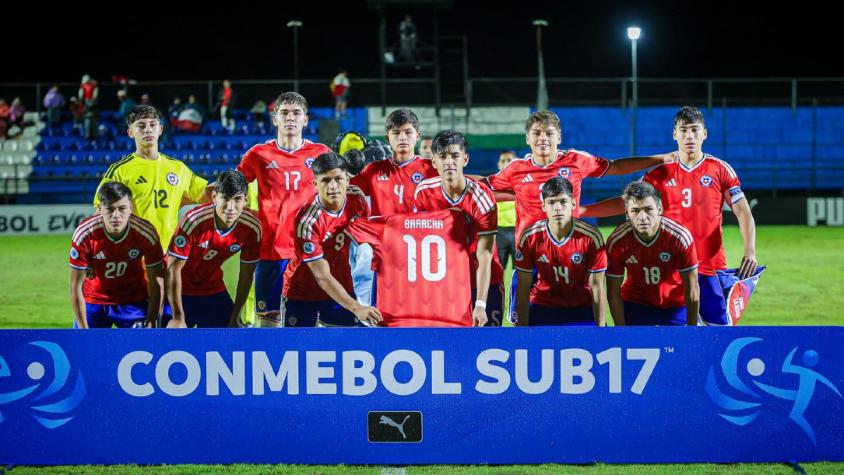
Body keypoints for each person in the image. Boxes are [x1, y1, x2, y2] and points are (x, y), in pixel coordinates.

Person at [484, 110, 673, 320]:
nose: (543, 138)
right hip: (530, 258)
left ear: (559, 137)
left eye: (549, 133)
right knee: (523, 322)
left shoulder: (576, 160)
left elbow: (615, 166)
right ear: (527, 138)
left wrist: (659, 159)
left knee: (578, 316)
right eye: (536, 133)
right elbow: (485, 186)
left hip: (570, 257)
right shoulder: (515, 169)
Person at [584, 106, 757, 326]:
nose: (689, 136)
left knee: (720, 332)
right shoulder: (658, 173)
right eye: (683, 130)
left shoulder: (720, 170)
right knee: (671, 331)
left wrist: (750, 250)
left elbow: (742, 210)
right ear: (675, 134)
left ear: (704, 133)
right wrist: (585, 211)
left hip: (710, 266)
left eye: (694, 130)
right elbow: (630, 203)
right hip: (672, 267)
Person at [236, 92, 332, 327]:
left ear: (305, 120)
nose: (290, 118)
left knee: (312, 321)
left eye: (296, 113)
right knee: (269, 321)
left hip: (311, 251)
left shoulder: (321, 154)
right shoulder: (258, 154)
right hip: (271, 251)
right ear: (275, 118)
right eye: (285, 113)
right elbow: (234, 189)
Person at [412, 129, 502, 326]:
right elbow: (422, 248)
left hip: (484, 282)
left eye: (455, 155)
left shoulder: (482, 198)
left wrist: (480, 304)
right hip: (446, 283)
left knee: (487, 345)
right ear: (434, 162)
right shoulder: (423, 193)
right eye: (442, 157)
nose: (449, 162)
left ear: (465, 159)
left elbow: (485, 254)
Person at [281, 152, 379, 327]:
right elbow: (322, 277)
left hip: (342, 285)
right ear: (315, 184)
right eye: (326, 180)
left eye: (338, 179)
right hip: (302, 292)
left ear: (348, 180)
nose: (333, 186)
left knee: (346, 348)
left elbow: (368, 238)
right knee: (298, 350)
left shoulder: (357, 201)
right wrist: (357, 308)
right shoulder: (308, 222)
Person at [94, 105, 210, 249]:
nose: (148, 129)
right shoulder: (119, 170)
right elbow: (101, 212)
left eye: (153, 125)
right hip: (133, 255)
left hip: (169, 254)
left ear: (160, 129)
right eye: (141, 126)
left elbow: (207, 194)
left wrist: (238, 181)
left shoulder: (178, 168)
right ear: (130, 133)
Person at [346, 208, 475, 327]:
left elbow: (348, 226)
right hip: (454, 318)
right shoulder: (459, 220)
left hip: (395, 321)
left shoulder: (386, 224)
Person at [164, 170, 261, 328]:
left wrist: (236, 316)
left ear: (246, 200)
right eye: (225, 198)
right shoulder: (194, 221)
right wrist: (177, 317)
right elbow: (172, 269)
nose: (230, 207)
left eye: (237, 199)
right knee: (166, 342)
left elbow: (246, 274)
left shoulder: (252, 228)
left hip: (211, 288)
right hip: (177, 289)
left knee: (230, 340)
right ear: (215, 197)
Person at [514, 177, 607, 326]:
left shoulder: (591, 237)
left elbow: (597, 286)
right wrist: (522, 329)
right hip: (543, 305)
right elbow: (523, 286)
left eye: (563, 202)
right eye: (551, 202)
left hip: (581, 307)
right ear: (543, 206)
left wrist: (601, 329)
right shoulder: (530, 236)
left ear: (573, 204)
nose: (557, 208)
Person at [69, 182, 164, 329]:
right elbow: (75, 286)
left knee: (139, 349)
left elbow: (157, 282)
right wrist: (83, 331)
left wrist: (151, 322)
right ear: (100, 209)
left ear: (131, 208)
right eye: (110, 209)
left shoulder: (146, 234)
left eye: (122, 208)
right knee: (84, 349)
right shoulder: (85, 234)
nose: (116, 215)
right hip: (93, 302)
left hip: (133, 302)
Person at [606, 181, 700, 326]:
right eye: (635, 210)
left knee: (686, 347)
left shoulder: (679, 237)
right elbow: (613, 291)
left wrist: (693, 329)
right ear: (626, 213)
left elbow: (692, 286)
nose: (642, 217)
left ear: (659, 209)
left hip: (676, 305)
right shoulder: (617, 241)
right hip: (636, 304)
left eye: (648, 209)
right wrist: (621, 330)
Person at [350, 108, 438, 216]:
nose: (402, 138)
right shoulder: (373, 169)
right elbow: (344, 187)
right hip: (382, 232)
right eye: (396, 133)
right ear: (388, 138)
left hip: (418, 232)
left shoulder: (432, 168)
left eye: (408, 132)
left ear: (417, 136)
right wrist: (348, 165)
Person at [495, 150, 518, 269]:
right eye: (503, 161)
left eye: (509, 160)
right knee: (497, 270)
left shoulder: (523, 183)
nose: (506, 163)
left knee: (521, 271)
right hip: (498, 232)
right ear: (498, 164)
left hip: (518, 232)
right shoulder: (491, 183)